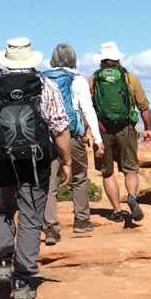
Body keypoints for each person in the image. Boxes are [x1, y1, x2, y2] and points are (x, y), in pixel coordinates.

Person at [0, 38, 73, 299]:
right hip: (35, 162)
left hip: (1, 159)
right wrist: (66, 161)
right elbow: (60, 127)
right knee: (30, 216)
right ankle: (22, 281)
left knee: (1, 210)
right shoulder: (44, 85)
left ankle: (3, 262)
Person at [40, 43, 103, 242]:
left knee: (49, 183)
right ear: (73, 59)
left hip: (48, 136)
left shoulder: (42, 79)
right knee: (79, 176)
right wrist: (97, 138)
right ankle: (82, 221)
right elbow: (87, 110)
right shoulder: (77, 80)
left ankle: (50, 227)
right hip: (72, 136)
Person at [90, 42, 151, 227]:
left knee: (107, 173)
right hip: (125, 128)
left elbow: (86, 108)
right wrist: (148, 128)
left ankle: (117, 211)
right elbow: (144, 107)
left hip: (103, 131)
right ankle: (132, 197)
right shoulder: (129, 78)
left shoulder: (93, 79)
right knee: (130, 169)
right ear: (118, 58)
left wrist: (91, 132)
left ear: (102, 59)